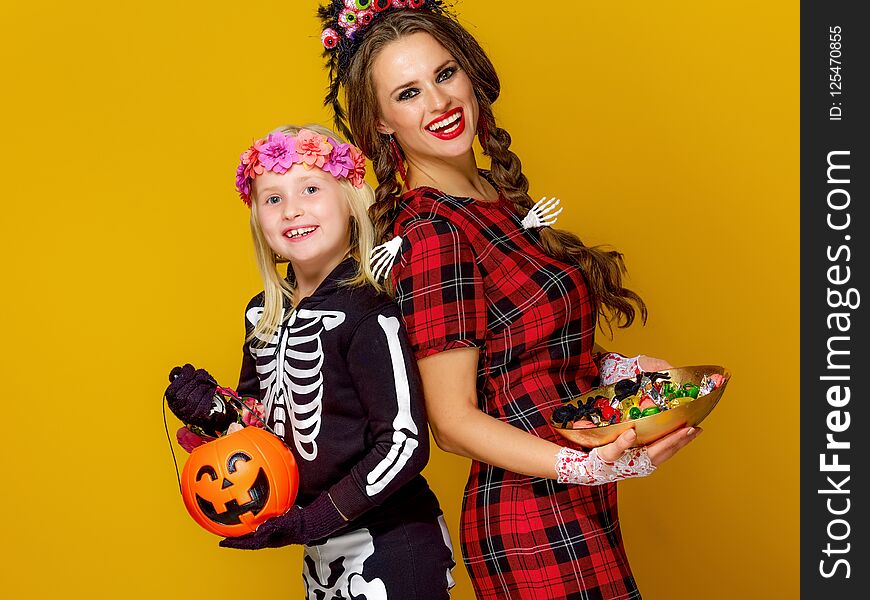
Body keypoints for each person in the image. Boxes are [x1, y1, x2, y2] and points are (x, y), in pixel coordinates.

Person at [316, 3, 701, 599]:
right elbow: (452, 422)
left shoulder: (490, 196)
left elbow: (524, 352)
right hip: (530, 517)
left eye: (445, 75)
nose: (439, 104)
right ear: (382, 122)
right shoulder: (432, 231)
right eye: (408, 93)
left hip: (575, 504)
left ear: (468, 73)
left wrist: (620, 374)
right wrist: (590, 465)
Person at [164, 124, 455, 599]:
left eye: (311, 189)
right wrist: (213, 410)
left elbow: (404, 443)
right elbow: (258, 431)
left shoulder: (368, 314)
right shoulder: (263, 314)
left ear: (349, 198)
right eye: (272, 198)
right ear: (257, 216)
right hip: (319, 552)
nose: (292, 209)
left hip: (392, 545)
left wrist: (308, 519)